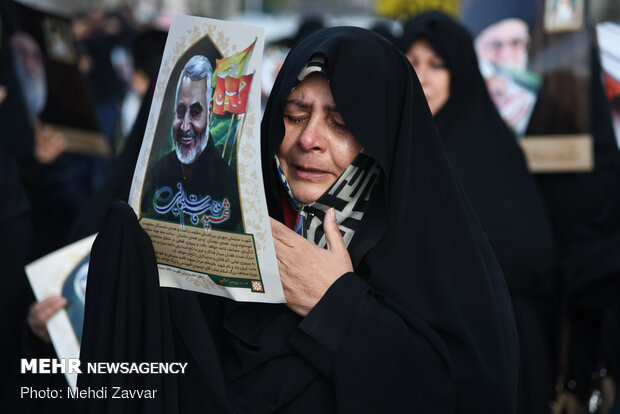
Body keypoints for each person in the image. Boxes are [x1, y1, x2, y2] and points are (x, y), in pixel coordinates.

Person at [78, 27, 519, 412]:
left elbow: (466, 395)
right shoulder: (230, 225)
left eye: (342, 123)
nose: (309, 139)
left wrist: (339, 306)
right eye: (294, 116)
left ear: (384, 138)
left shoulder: (436, 257)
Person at [401, 12, 558, 414]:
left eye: (437, 65)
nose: (423, 77)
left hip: (495, 352)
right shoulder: (396, 147)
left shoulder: (490, 149)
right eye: (412, 62)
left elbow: (534, 256)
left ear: (462, 73)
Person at [140, 54, 241, 231]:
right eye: (180, 112)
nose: (185, 126)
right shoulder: (157, 174)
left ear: (209, 113)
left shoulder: (229, 186)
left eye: (195, 112)